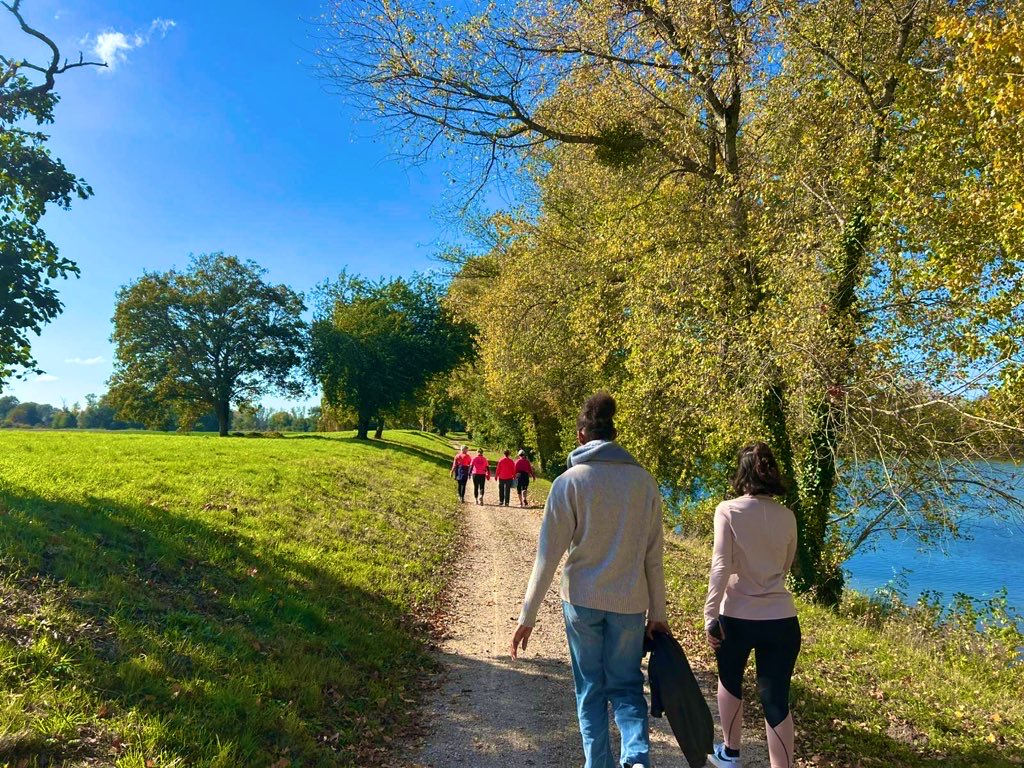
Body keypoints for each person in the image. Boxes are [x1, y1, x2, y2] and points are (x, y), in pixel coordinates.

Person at [511, 392, 668, 768]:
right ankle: (636, 759)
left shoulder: (569, 483)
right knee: (628, 686)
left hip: (581, 601)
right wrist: (658, 614)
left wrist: (527, 616)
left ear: (582, 436)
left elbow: (547, 557)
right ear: (613, 435)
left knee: (590, 690)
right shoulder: (644, 483)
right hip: (631, 603)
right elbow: (654, 557)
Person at [704, 443, 800, 768]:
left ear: (741, 474)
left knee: (730, 681)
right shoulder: (787, 516)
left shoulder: (727, 510)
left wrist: (709, 615)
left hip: (737, 616)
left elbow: (721, 566)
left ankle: (730, 754)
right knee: (776, 702)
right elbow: (785, 566)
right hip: (782, 619)